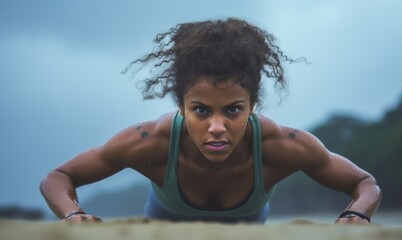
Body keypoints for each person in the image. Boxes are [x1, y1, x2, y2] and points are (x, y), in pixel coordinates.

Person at [40, 18, 382, 224]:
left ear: (252, 105)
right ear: (181, 106)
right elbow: (58, 177)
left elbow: (365, 183)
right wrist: (73, 215)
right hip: (163, 220)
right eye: (201, 110)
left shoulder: (281, 147)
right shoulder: (151, 143)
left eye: (232, 110)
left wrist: (357, 215)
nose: (216, 127)